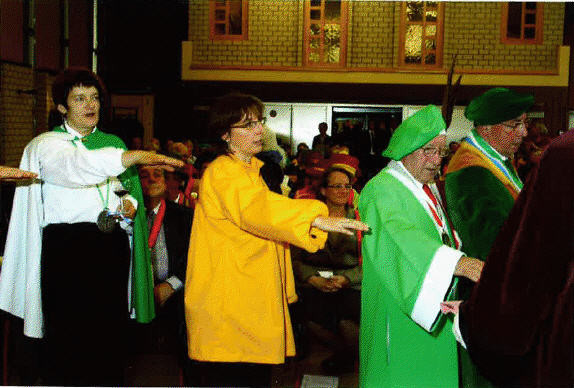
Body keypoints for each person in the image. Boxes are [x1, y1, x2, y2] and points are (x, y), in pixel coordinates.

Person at [0, 68, 183, 386]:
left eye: (95, 97)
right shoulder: (46, 145)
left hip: (109, 247)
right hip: (66, 251)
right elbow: (73, 169)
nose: (90, 104)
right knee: (67, 344)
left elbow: (124, 192)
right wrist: (131, 157)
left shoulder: (112, 143)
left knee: (109, 345)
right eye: (80, 98)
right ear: (61, 107)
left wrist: (127, 207)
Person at [184, 93, 368, 387]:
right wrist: (315, 217)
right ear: (225, 134)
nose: (259, 129)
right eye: (247, 125)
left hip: (246, 300)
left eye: (258, 122)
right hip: (230, 305)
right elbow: (258, 210)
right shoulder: (223, 172)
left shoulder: (249, 171)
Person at [358, 105, 483, 388]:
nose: (437, 160)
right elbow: (401, 236)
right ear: (406, 149)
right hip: (401, 302)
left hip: (435, 300)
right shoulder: (381, 189)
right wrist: (459, 264)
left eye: (441, 152)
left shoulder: (424, 185)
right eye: (429, 151)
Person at [443, 130, 574, 388]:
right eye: (515, 124)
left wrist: (474, 317)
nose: (523, 133)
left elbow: (532, 265)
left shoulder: (565, 155)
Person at [444, 87, 534, 388]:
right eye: (513, 125)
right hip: (489, 296)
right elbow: (491, 245)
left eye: (524, 123)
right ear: (485, 128)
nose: (522, 133)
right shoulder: (471, 171)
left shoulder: (498, 161)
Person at [292, 165, 362, 375]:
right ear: (323, 190)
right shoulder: (308, 218)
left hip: (350, 283)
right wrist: (312, 278)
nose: (343, 191)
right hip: (314, 282)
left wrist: (346, 279)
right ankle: (345, 353)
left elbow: (369, 262)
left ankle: (350, 355)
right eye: (336, 186)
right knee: (308, 313)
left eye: (347, 186)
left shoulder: (358, 219)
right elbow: (293, 259)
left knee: (346, 314)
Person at [131, 165, 194, 384]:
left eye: (157, 175)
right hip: (135, 293)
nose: (151, 180)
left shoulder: (184, 217)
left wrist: (171, 285)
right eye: (144, 176)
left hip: (174, 291)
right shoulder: (127, 217)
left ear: (167, 183)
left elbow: (194, 257)